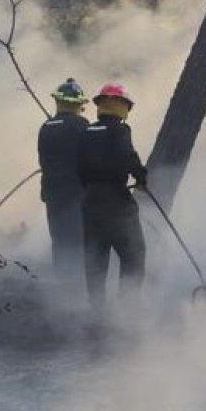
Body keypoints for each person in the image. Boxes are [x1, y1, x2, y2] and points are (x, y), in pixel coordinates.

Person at [78, 83, 147, 307]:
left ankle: (97, 310)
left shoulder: (87, 131)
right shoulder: (120, 130)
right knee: (133, 255)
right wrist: (140, 175)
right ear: (122, 106)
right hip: (117, 204)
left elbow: (79, 168)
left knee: (96, 261)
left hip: (90, 203)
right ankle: (127, 311)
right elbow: (126, 154)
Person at [37, 78, 91, 282]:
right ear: (79, 105)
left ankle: (61, 282)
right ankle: (79, 283)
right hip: (78, 193)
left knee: (59, 239)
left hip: (52, 193)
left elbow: (43, 160)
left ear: (58, 102)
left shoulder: (46, 127)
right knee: (79, 239)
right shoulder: (83, 125)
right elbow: (90, 159)